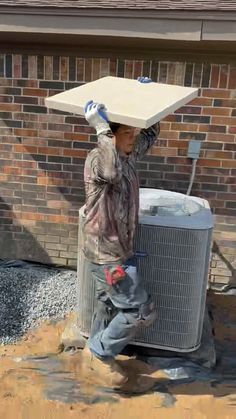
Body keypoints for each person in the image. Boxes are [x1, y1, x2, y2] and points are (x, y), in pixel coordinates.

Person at [81, 77, 160, 388]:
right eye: (127, 133)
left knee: (109, 304)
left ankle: (94, 350)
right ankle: (100, 353)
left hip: (118, 250)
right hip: (106, 255)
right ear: (110, 136)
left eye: (132, 131)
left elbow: (151, 133)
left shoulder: (126, 157)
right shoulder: (99, 160)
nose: (134, 137)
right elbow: (110, 172)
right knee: (139, 310)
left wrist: (147, 99)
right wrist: (100, 127)